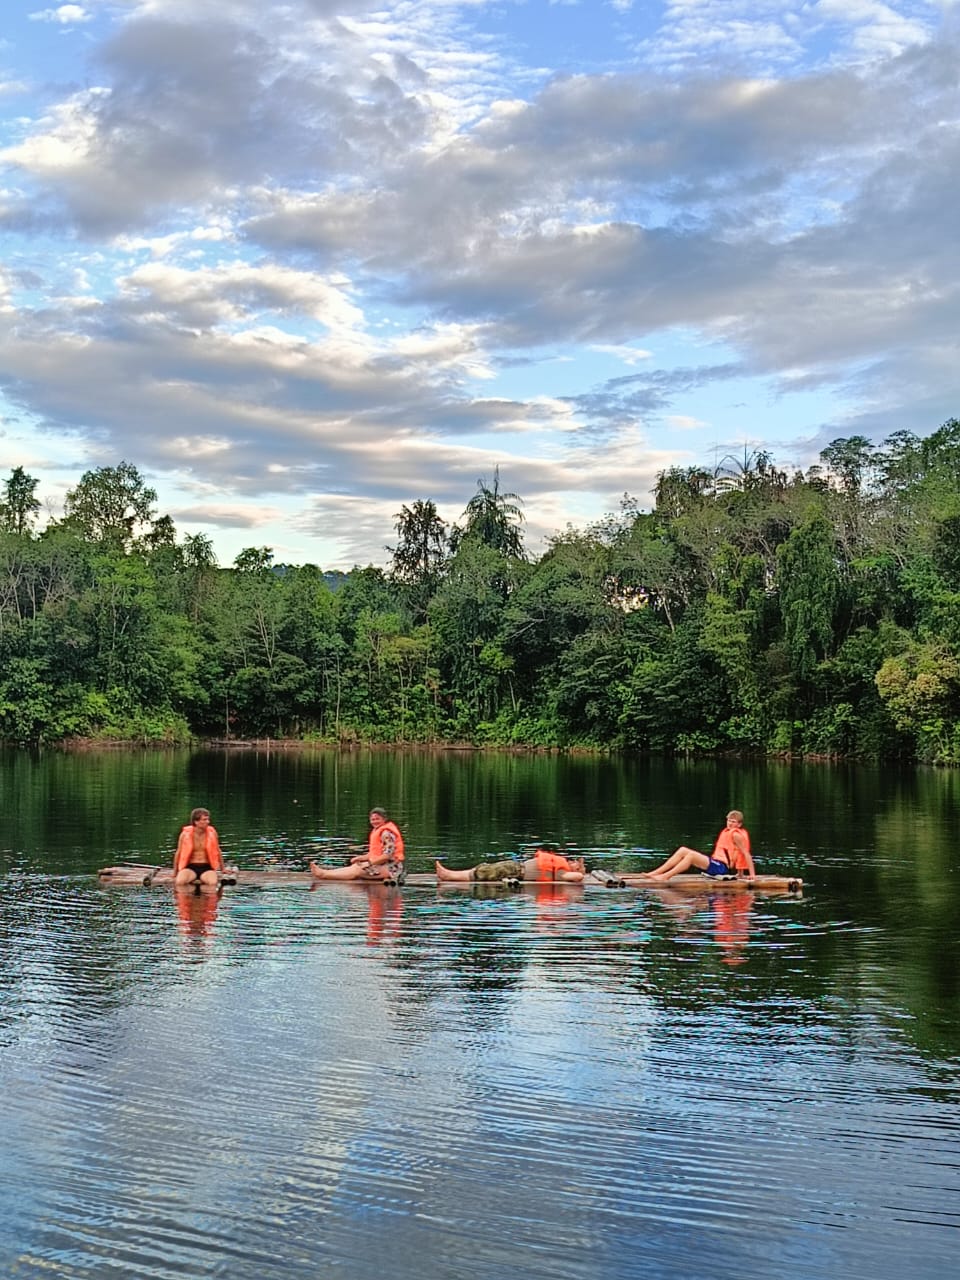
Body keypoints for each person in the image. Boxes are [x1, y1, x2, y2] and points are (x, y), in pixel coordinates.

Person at [640, 810, 755, 883]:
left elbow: (745, 854)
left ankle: (666, 876)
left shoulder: (736, 835)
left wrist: (752, 875)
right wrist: (740, 874)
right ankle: (655, 873)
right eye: (729, 821)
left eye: (733, 822)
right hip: (716, 864)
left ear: (739, 824)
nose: (730, 824)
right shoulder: (727, 832)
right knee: (682, 850)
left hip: (722, 868)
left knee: (690, 856)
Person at [309, 808, 405, 882]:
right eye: (373, 819)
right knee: (356, 865)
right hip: (383, 865)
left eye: (377, 819)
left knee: (358, 870)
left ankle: (323, 875)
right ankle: (325, 872)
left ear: (384, 819)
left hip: (392, 869)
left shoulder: (386, 834)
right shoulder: (378, 831)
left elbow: (387, 856)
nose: (375, 821)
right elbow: (374, 853)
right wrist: (360, 858)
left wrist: (369, 863)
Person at [436, 843, 585, 884]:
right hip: (515, 868)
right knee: (486, 869)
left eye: (575, 863)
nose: (571, 862)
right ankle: (451, 874)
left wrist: (580, 871)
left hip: (515, 872)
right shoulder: (561, 869)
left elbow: (577, 877)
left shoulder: (562, 873)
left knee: (484, 872)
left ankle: (448, 875)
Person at [173, 807, 226, 888]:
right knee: (180, 883)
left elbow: (218, 850)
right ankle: (186, 900)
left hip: (207, 867)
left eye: (208, 819)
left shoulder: (212, 832)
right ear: (196, 821)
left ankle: (206, 899)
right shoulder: (184, 834)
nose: (208, 822)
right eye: (204, 820)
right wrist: (175, 872)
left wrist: (223, 869)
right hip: (190, 867)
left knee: (212, 884)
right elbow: (178, 853)